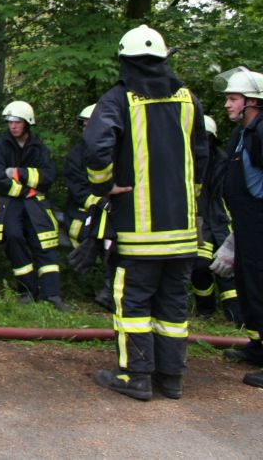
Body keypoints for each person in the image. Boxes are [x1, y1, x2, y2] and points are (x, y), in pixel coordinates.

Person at [86, 24, 207, 401]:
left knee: (134, 303)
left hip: (139, 233)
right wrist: (189, 199)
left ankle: (136, 376)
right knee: (173, 304)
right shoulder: (189, 100)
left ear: (124, 61)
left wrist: (104, 186)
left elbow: (96, 148)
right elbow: (202, 157)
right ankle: (171, 378)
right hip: (182, 232)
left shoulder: (118, 100)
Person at [0, 100, 69, 311]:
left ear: (27, 123)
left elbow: (48, 177)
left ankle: (52, 294)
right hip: (10, 203)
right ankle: (27, 291)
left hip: (36, 205)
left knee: (44, 242)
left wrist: (18, 173)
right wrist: (26, 189)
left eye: (17, 122)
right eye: (10, 122)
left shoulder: (39, 148)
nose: (13, 126)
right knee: (13, 237)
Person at [210, 66, 263, 388]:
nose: (227, 104)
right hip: (246, 223)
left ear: (252, 101)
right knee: (249, 285)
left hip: (259, 221)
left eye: (233, 98)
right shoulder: (242, 134)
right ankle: (258, 346)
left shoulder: (261, 132)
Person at [190, 115, 242, 325]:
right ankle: (205, 310)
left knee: (226, 270)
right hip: (199, 222)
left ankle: (235, 316)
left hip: (222, 222)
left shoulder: (225, 162)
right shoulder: (187, 163)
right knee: (199, 267)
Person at [63, 104, 113, 311]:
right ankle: (110, 290)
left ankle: (111, 290)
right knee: (106, 236)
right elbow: (78, 189)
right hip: (82, 215)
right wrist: (100, 202)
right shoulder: (76, 156)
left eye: (89, 125)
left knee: (114, 242)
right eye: (84, 126)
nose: (86, 130)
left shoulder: (117, 151)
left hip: (112, 217)